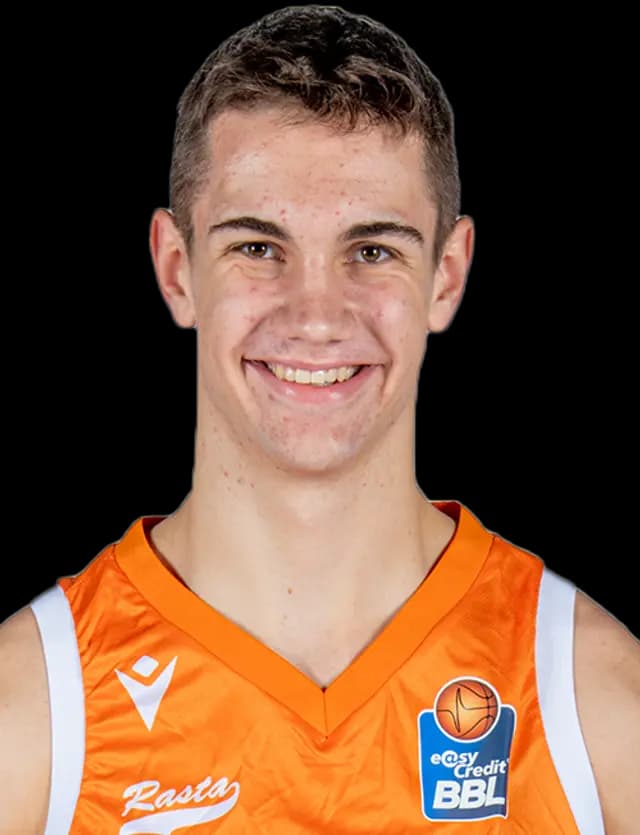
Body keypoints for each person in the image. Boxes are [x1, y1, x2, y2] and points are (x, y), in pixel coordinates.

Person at [1, 5, 638, 833]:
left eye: (372, 251)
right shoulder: (33, 715)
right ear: (177, 269)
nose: (315, 316)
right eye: (258, 248)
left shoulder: (596, 706)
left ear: (446, 276)